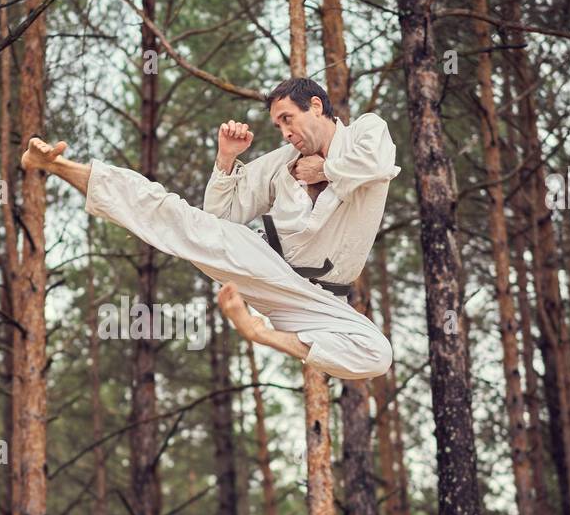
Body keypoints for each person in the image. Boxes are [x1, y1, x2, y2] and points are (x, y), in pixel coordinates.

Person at [20, 77, 399, 380]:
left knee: (377, 355)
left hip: (322, 302)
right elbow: (222, 216)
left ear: (316, 106)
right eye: (278, 124)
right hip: (266, 263)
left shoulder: (367, 130)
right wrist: (226, 159)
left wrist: (325, 170)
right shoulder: (282, 162)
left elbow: (378, 165)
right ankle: (58, 166)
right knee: (177, 218)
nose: (284, 132)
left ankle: (259, 333)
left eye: (288, 118)